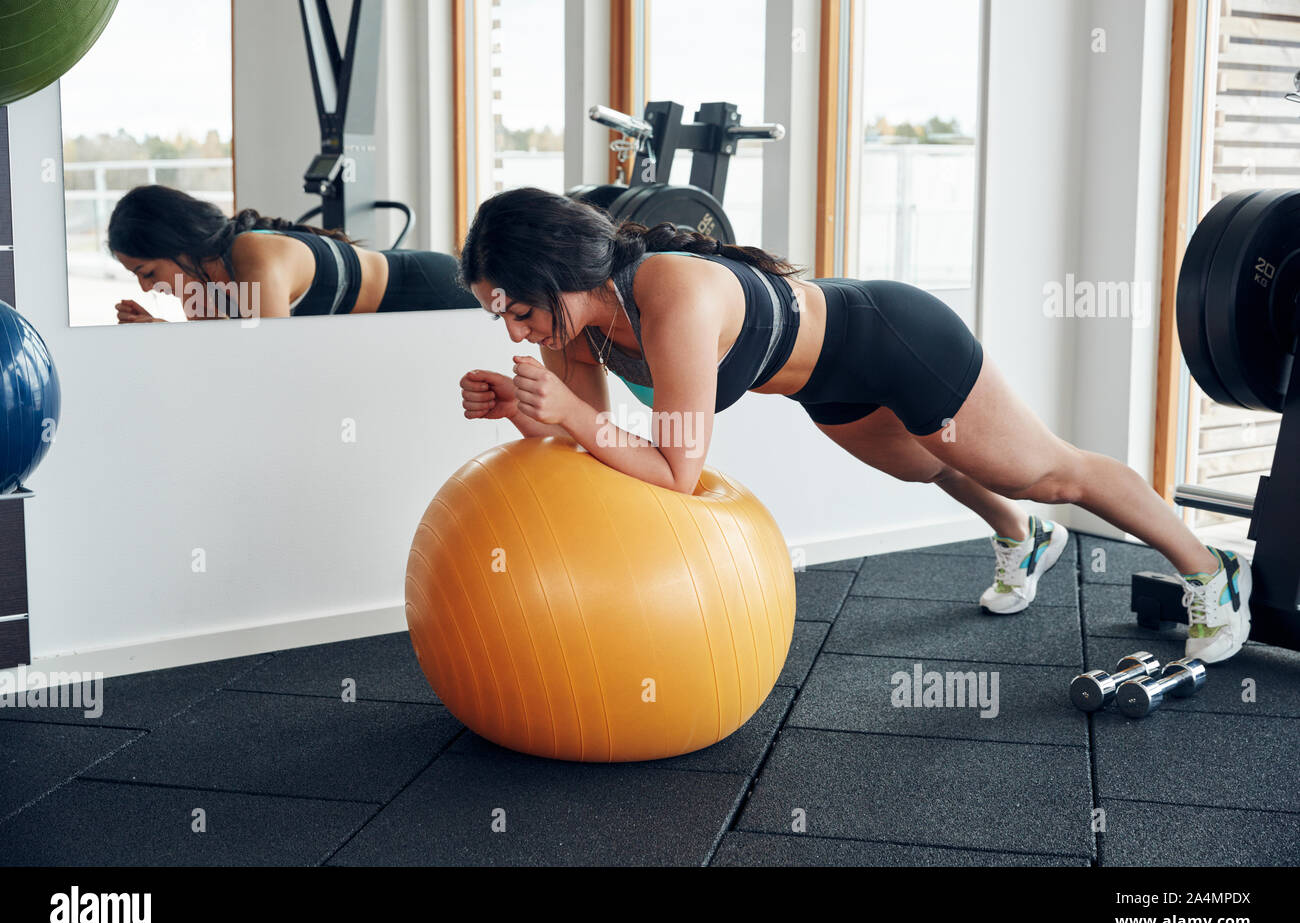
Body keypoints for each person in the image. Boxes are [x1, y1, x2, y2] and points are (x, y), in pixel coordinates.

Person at [456, 187, 1251, 664]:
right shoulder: (581, 330)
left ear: (560, 274)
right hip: (826, 385)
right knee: (928, 464)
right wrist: (529, 410)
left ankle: (1209, 570)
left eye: (520, 311)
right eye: (504, 320)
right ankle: (1025, 537)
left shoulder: (669, 293)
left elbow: (673, 472)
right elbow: (594, 443)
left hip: (892, 336)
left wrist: (563, 414)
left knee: (1044, 470)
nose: (518, 334)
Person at [106, 184, 477, 321]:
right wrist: (158, 333)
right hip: (382, 323)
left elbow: (271, 362)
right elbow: (216, 358)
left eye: (147, 271)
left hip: (427, 287)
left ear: (176, 246)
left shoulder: (251, 253)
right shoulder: (201, 289)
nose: (144, 287)